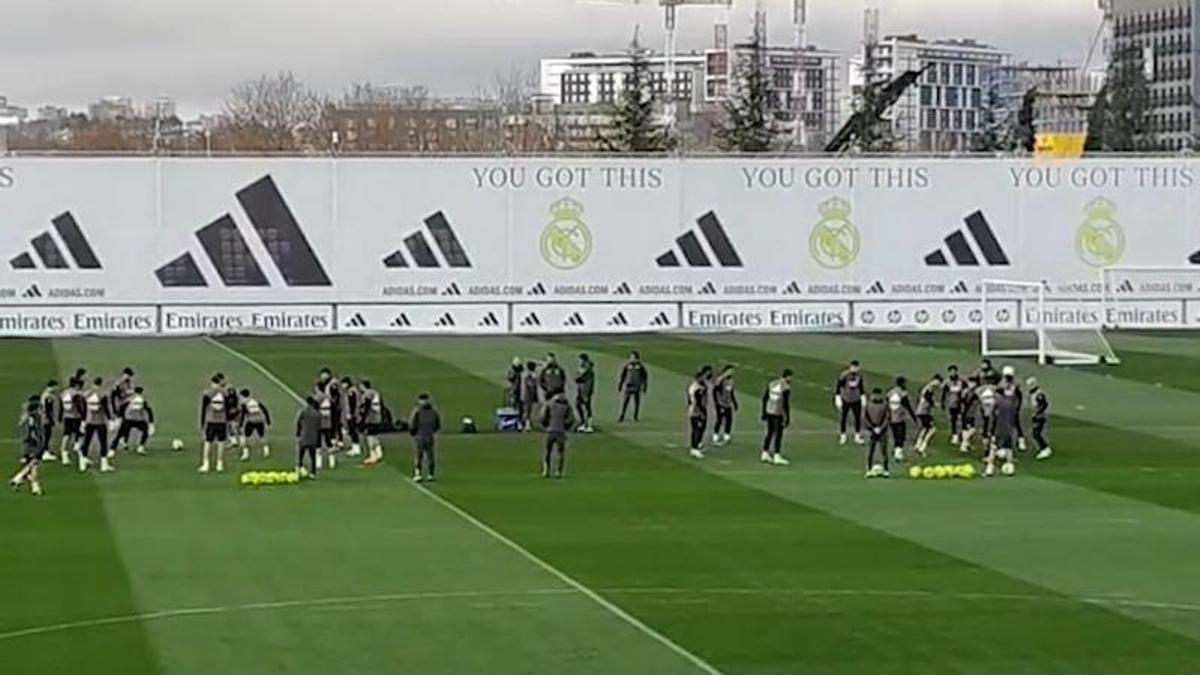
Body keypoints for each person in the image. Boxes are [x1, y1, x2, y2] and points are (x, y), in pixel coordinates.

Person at [10, 397, 46, 496]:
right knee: (34, 464)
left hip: (31, 445)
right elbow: (33, 434)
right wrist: (39, 444)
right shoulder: (33, 419)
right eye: (40, 408)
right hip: (33, 446)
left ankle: (33, 487)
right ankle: (19, 478)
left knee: (33, 466)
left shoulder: (29, 418)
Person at [986, 377, 1020, 477]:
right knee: (1008, 447)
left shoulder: (999, 403)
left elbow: (993, 417)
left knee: (993, 447)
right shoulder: (1012, 403)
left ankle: (990, 468)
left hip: (999, 428)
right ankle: (1010, 466)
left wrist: (990, 431)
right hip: (1009, 428)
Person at [80, 377, 114, 473]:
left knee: (86, 441)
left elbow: (84, 409)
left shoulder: (86, 394)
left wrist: (83, 421)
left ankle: (82, 463)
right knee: (103, 442)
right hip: (100, 421)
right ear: (101, 383)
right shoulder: (103, 394)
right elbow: (106, 408)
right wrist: (110, 420)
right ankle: (104, 465)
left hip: (89, 421)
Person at [760, 369, 793, 466]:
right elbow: (785, 403)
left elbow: (765, 398)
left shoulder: (772, 383)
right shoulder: (786, 387)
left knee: (770, 432)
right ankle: (776, 455)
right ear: (787, 376)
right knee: (779, 434)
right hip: (778, 412)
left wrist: (764, 412)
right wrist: (787, 416)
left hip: (769, 410)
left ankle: (765, 452)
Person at [540, 391, 575, 478]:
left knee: (547, 452)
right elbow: (571, 419)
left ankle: (546, 470)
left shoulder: (549, 404)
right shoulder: (567, 406)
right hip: (560, 431)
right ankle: (558, 471)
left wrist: (546, 425)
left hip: (550, 431)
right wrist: (565, 426)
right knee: (560, 453)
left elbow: (543, 416)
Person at [199, 374, 229, 473]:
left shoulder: (207, 393)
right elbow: (228, 408)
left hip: (211, 420)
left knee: (208, 442)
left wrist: (202, 422)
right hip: (222, 421)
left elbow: (203, 409)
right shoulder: (225, 393)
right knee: (221, 442)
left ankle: (206, 464)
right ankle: (219, 464)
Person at [409, 393, 442, 482]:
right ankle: (430, 474)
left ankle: (418, 474)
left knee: (419, 456)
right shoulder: (433, 411)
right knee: (429, 455)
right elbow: (437, 425)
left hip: (420, 436)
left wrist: (413, 432)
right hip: (429, 435)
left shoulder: (417, 411)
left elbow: (412, 424)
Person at [112, 386, 154, 455]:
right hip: (139, 420)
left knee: (119, 434)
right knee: (145, 431)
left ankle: (112, 449)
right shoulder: (142, 400)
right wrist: (151, 423)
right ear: (141, 392)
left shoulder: (130, 399)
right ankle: (141, 447)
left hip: (129, 419)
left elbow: (122, 407)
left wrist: (119, 418)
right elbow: (149, 410)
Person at [834, 360, 866, 445]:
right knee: (844, 418)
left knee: (857, 418)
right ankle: (843, 436)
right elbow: (839, 385)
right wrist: (838, 397)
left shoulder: (859, 375)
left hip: (856, 399)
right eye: (853, 367)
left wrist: (863, 396)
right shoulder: (844, 375)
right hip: (846, 399)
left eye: (856, 367)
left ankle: (857, 436)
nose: (855, 369)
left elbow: (861, 386)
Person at [888, 377, 918, 462]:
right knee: (901, 435)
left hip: (891, 418)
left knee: (895, 435)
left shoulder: (890, 392)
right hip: (899, 418)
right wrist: (914, 417)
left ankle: (895, 450)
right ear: (902, 383)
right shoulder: (902, 394)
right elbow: (907, 406)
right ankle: (898, 453)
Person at [863, 388, 890, 478]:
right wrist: (872, 428)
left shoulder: (885, 405)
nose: (876, 397)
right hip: (871, 431)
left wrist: (881, 428)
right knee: (870, 451)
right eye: (875, 395)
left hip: (882, 431)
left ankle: (886, 470)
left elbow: (887, 418)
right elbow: (865, 418)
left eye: (878, 395)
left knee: (884, 451)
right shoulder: (868, 405)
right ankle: (869, 470)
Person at [238, 388, 272, 460]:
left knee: (245, 437)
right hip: (260, 421)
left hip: (251, 422)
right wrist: (268, 421)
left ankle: (245, 454)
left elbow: (243, 415)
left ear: (243, 396)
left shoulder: (244, 404)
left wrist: (240, 425)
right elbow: (265, 410)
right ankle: (266, 450)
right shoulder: (256, 402)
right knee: (262, 437)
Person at [686, 366, 712, 459]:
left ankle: (697, 444)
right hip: (696, 411)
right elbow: (698, 401)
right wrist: (702, 412)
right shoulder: (697, 388)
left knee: (701, 428)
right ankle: (694, 448)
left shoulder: (701, 386)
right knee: (696, 429)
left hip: (697, 410)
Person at [359, 380, 387, 466]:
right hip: (378, 417)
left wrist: (362, 418)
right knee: (374, 436)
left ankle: (373, 456)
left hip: (371, 418)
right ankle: (379, 453)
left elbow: (366, 406)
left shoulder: (367, 394)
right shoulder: (376, 393)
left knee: (370, 437)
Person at [914, 373, 943, 454]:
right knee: (933, 429)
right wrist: (934, 404)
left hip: (921, 410)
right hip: (924, 411)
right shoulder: (930, 387)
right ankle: (923, 446)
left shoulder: (928, 387)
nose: (939, 384)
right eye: (939, 382)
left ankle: (917, 444)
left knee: (925, 428)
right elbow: (928, 397)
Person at [58, 377, 84, 466]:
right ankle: (78, 450)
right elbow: (79, 406)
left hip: (66, 416)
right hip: (76, 416)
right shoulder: (76, 394)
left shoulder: (64, 393)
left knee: (67, 434)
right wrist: (83, 416)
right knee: (80, 433)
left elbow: (61, 406)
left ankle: (64, 453)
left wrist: (60, 416)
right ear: (76, 385)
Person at [617, 351, 648, 423]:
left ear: (637, 358)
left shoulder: (640, 367)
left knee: (636, 402)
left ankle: (635, 416)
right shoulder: (627, 366)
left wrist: (645, 386)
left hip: (637, 386)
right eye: (630, 357)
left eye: (633, 357)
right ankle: (622, 415)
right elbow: (623, 376)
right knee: (625, 401)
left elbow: (644, 377)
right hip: (629, 386)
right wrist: (620, 385)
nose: (631, 359)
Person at [295, 396, 322, 478]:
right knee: (312, 456)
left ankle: (299, 468)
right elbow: (319, 426)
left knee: (301, 454)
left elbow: (299, 422)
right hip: (313, 437)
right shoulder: (317, 414)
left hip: (304, 435)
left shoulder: (303, 412)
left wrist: (298, 433)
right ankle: (313, 473)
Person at [711, 365, 738, 446]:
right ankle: (715, 434)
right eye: (730, 371)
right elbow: (715, 391)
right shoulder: (720, 380)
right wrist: (717, 403)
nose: (732, 372)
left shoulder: (731, 380)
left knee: (729, 420)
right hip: (720, 403)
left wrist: (735, 402)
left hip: (728, 403)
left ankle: (726, 435)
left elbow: (731, 392)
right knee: (720, 419)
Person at [1027, 377, 1053, 460]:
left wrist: (1037, 413)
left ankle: (1045, 448)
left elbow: (1044, 404)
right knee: (1036, 433)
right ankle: (1044, 448)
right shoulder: (1033, 394)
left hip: (1040, 416)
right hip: (1037, 415)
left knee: (1036, 433)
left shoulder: (1038, 394)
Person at [942, 365, 968, 445]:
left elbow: (967, 389)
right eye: (951, 372)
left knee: (963, 419)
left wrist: (964, 397)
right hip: (952, 403)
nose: (953, 373)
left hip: (961, 403)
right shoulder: (947, 382)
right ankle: (955, 436)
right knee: (953, 419)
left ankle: (964, 436)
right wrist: (943, 402)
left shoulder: (961, 381)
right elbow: (944, 393)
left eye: (954, 371)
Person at [314, 382, 338, 469]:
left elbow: (314, 408)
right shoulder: (329, 398)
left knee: (318, 442)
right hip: (328, 423)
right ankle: (332, 461)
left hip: (319, 423)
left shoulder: (318, 397)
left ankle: (318, 462)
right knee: (328, 442)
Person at [340, 377, 361, 457]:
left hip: (352, 414)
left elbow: (352, 403)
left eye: (343, 384)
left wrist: (350, 414)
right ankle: (355, 447)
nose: (342, 386)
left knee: (353, 431)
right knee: (352, 431)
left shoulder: (351, 391)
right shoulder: (351, 390)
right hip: (352, 414)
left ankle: (356, 448)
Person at [38, 379, 59, 462]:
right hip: (46, 419)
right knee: (47, 435)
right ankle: (45, 452)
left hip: (44, 417)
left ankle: (44, 451)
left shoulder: (45, 394)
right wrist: (51, 419)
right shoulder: (48, 396)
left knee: (46, 435)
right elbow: (48, 409)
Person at [574, 354, 595, 433]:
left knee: (587, 407)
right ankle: (583, 423)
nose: (579, 361)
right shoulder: (582, 368)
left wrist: (587, 393)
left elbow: (586, 381)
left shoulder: (588, 370)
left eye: (580, 360)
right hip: (580, 390)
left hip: (585, 391)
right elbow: (576, 378)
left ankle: (589, 425)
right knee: (578, 405)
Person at [520, 361, 539, 432]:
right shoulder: (529, 375)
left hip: (525, 394)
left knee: (527, 409)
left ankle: (526, 424)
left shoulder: (524, 374)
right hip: (528, 395)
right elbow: (531, 385)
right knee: (527, 410)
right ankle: (526, 425)